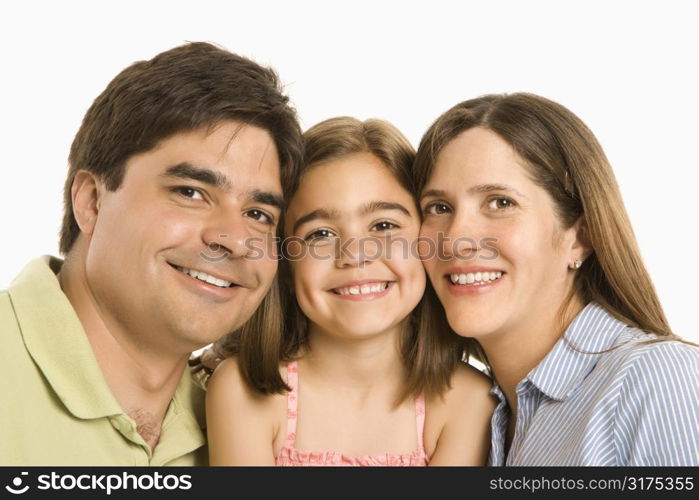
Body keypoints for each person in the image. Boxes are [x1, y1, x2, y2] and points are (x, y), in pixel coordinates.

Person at [0, 42, 302, 465]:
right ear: (91, 202)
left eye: (258, 213)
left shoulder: (247, 432)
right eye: (191, 192)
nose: (234, 239)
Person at [413, 92, 699, 465]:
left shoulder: (655, 379)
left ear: (580, 236)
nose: (454, 240)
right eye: (439, 208)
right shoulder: (485, 418)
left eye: (500, 202)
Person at [205, 117, 496, 465]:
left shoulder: (467, 401)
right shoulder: (243, 389)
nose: (354, 256)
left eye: (384, 226)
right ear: (285, 261)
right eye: (320, 234)